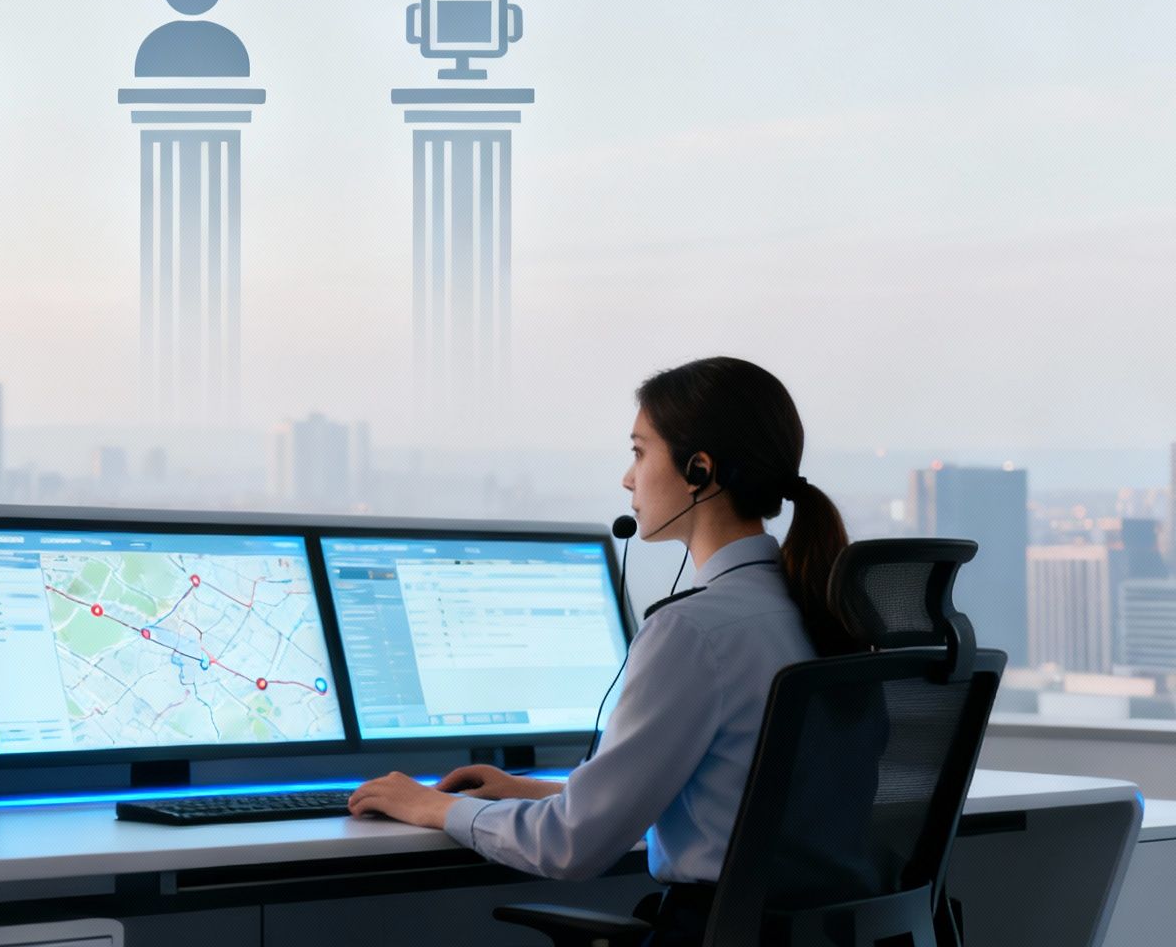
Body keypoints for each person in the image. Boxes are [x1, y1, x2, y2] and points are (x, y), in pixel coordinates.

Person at [346, 356, 857, 944]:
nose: (627, 478)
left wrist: (433, 807)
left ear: (698, 469)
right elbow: (734, 797)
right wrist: (545, 791)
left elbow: (570, 847)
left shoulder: (692, 632)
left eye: (639, 452)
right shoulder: (812, 611)